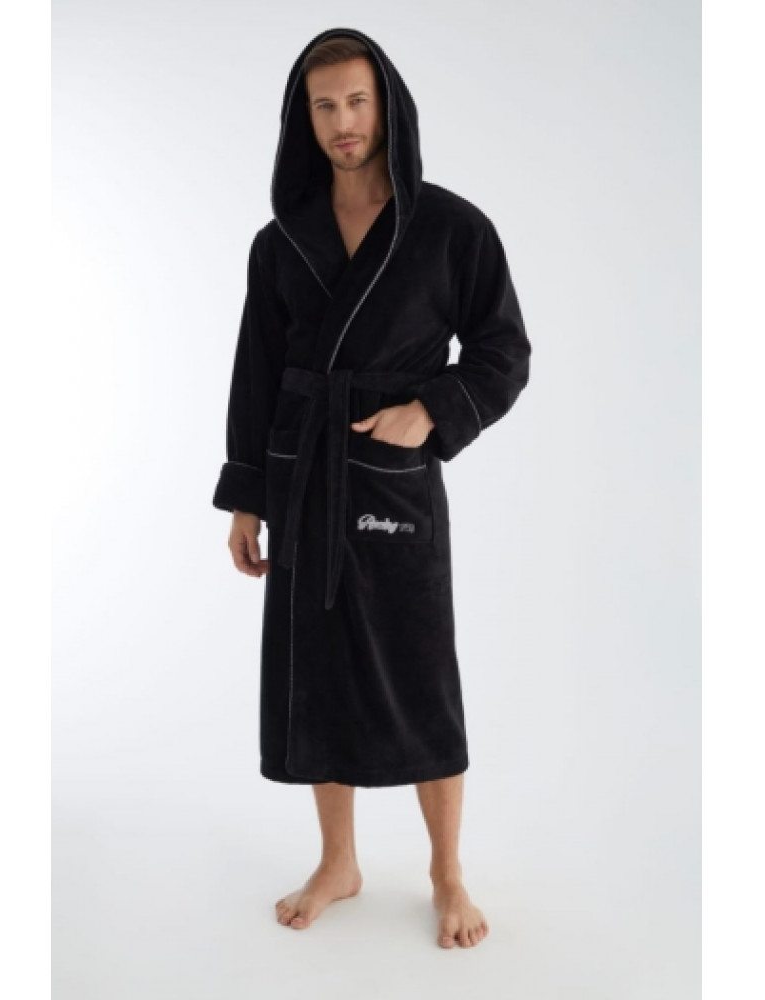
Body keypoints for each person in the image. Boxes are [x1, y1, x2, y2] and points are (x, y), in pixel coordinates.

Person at [212, 27, 531, 948]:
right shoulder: (282, 242)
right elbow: (256, 375)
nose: (343, 121)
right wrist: (247, 497)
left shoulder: (452, 229)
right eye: (324, 106)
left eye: (357, 101)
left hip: (394, 482)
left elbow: (504, 351)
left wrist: (432, 411)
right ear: (303, 120)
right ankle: (339, 862)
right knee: (317, 671)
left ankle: (447, 872)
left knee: (419, 670)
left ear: (386, 106)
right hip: (303, 477)